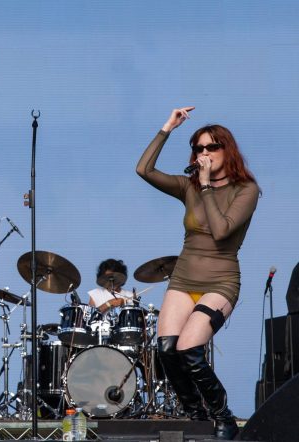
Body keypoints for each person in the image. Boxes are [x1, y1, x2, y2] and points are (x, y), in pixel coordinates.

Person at [136, 107, 259, 439]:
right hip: (184, 277)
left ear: (226, 150)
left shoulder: (246, 190)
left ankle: (224, 417)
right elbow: (143, 169)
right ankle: (197, 413)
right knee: (165, 350)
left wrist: (205, 186)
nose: (204, 153)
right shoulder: (187, 186)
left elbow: (221, 231)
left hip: (220, 281)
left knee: (189, 348)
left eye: (211, 147)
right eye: (199, 148)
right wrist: (167, 128)